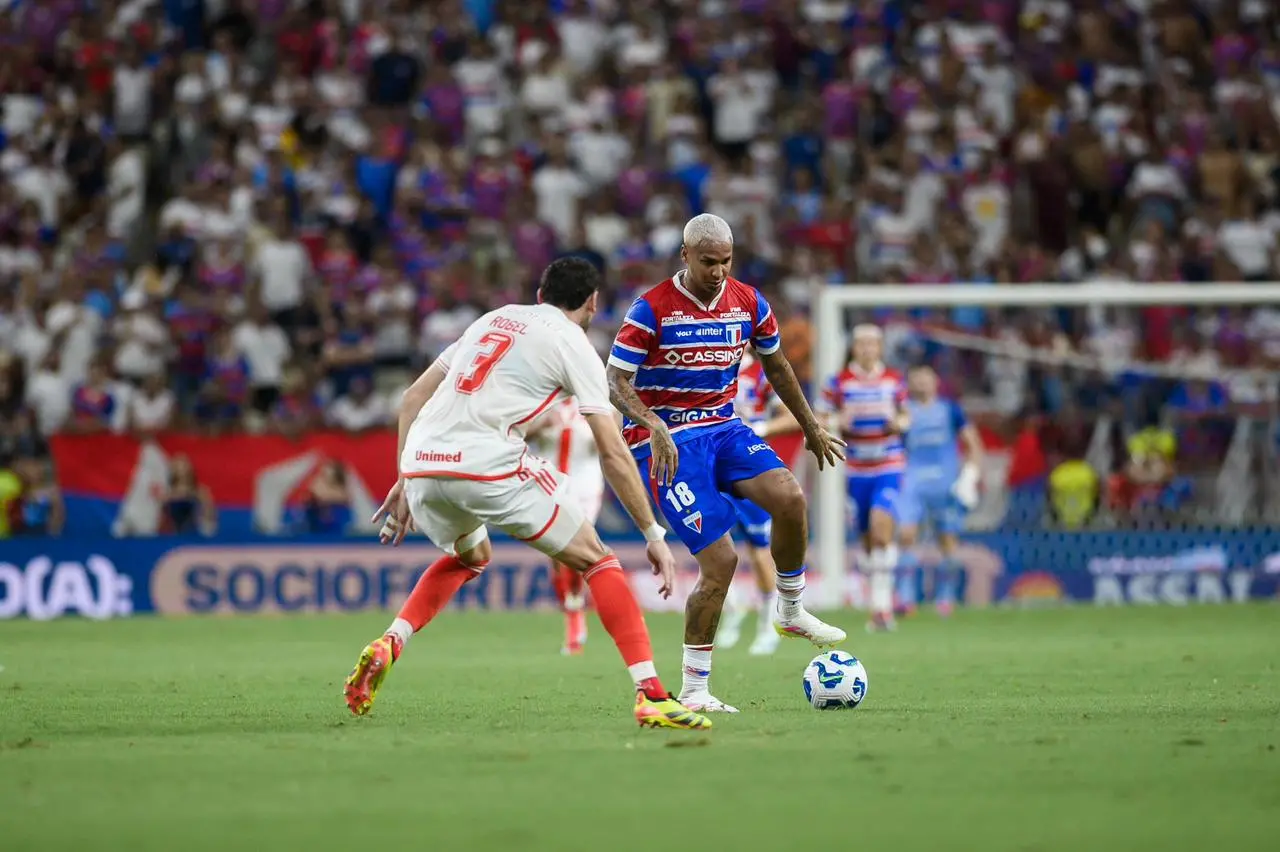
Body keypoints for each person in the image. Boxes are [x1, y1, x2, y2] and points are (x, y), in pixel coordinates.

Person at [344, 257, 711, 732]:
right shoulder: (572, 342)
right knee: (599, 561)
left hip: (422, 462)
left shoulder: (491, 319)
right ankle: (653, 696)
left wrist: (403, 477)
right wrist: (651, 532)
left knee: (472, 555)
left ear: (539, 293)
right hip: (487, 463)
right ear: (593, 304)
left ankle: (392, 640)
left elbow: (412, 397)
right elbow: (613, 451)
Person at [606, 213, 846, 714]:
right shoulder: (649, 310)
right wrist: (652, 424)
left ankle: (791, 608)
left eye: (726, 261)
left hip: (723, 427)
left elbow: (776, 365)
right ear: (686, 255)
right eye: (708, 261)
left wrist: (810, 426)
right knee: (721, 562)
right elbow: (615, 382)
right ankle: (695, 689)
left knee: (790, 497)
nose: (718, 271)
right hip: (666, 443)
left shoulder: (749, 302)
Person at [820, 325, 909, 633]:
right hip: (855, 468)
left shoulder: (894, 380)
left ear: (880, 348)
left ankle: (882, 606)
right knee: (868, 539)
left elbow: (906, 416)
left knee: (880, 527)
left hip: (888, 463)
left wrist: (897, 423)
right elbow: (821, 419)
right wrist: (836, 422)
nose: (868, 349)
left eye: (873, 344)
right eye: (862, 344)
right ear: (854, 348)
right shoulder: (839, 382)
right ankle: (878, 602)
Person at [715, 348, 799, 656]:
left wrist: (761, 428)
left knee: (759, 549)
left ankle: (768, 624)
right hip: (713, 468)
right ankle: (733, 610)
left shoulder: (761, 375)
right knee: (713, 546)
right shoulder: (711, 367)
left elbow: (791, 416)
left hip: (748, 470)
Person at [896, 365, 982, 617]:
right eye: (916, 379)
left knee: (947, 540)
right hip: (912, 481)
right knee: (907, 534)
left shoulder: (950, 410)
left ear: (936, 382)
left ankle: (946, 597)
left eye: (926, 378)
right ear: (909, 384)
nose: (922, 383)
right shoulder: (903, 412)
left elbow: (973, 443)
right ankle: (905, 596)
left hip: (945, 482)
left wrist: (971, 475)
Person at [527, 396, 608, 656]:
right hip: (548, 485)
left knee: (573, 552)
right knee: (556, 554)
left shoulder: (596, 400)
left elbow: (610, 442)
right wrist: (539, 425)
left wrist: (600, 429)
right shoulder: (539, 400)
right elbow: (513, 434)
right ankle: (572, 608)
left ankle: (574, 617)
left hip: (584, 486)